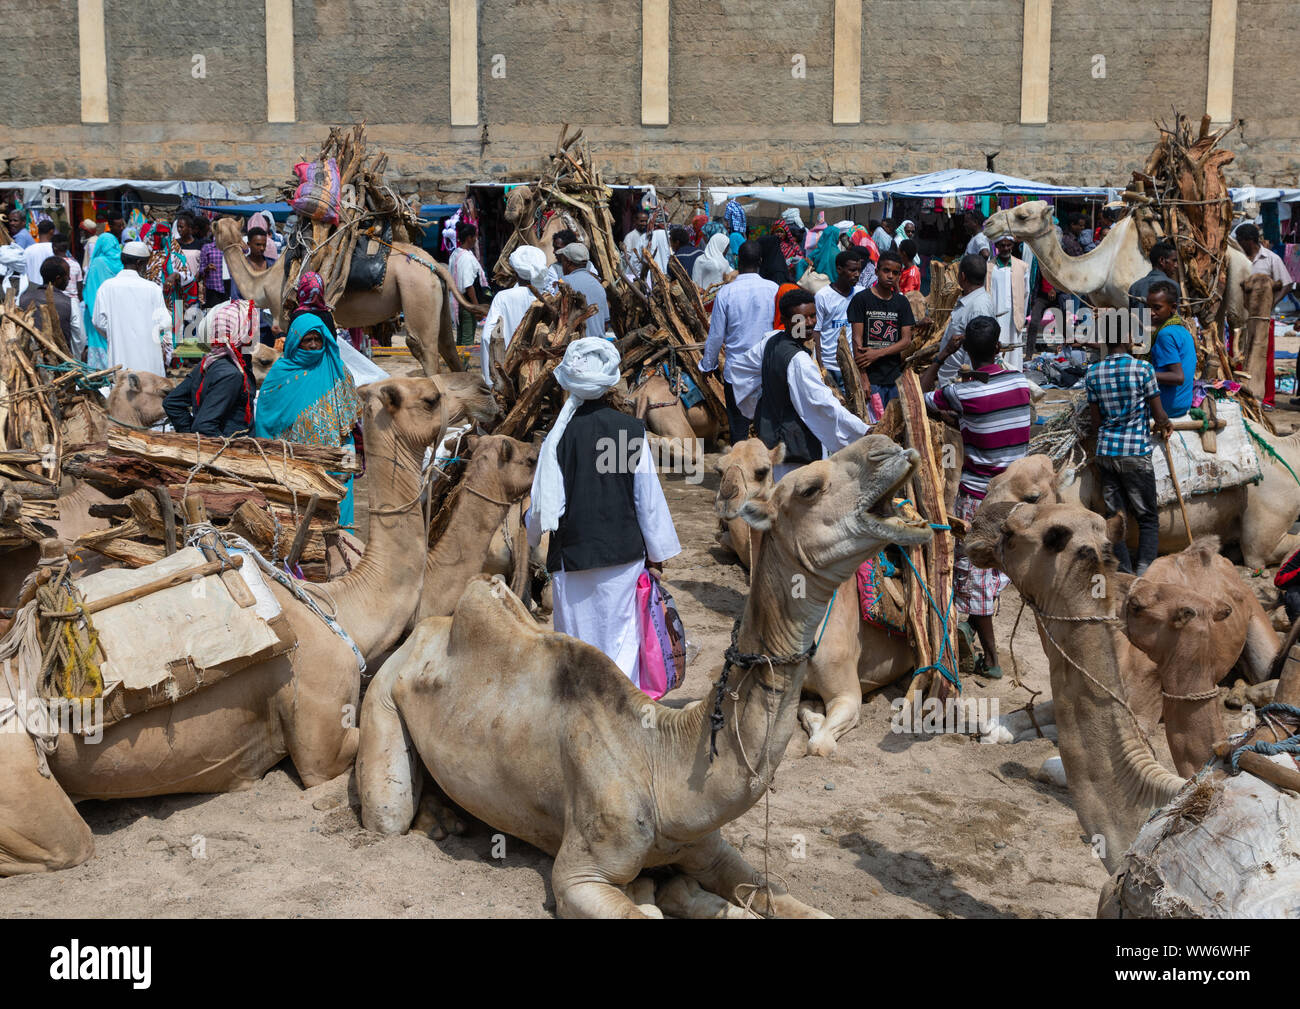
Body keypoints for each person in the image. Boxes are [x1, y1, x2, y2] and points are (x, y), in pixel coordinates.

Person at [525, 337, 681, 686]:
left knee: (578, 652)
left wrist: (531, 534)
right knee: (620, 651)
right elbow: (646, 499)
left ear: (568, 381)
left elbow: (540, 507)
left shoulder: (558, 437)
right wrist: (656, 555)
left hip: (573, 561)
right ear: (612, 381)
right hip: (622, 560)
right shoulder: (628, 431)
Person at [921, 315, 1033, 679]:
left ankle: (993, 659)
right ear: (999, 348)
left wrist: (940, 357)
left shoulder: (962, 392)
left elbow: (919, 397)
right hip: (1019, 495)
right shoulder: (1021, 381)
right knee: (994, 570)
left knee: (974, 571)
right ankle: (971, 630)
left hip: (980, 497)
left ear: (966, 349)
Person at [740, 287, 868, 482]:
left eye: (813, 316)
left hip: (772, 435)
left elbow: (741, 369)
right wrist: (861, 430)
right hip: (796, 444)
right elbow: (823, 403)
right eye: (801, 318)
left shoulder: (772, 341)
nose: (809, 323)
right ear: (784, 320)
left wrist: (759, 405)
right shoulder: (798, 360)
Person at [254, 303, 362, 526]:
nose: (313, 345)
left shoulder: (339, 371)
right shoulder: (280, 375)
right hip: (296, 466)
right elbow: (265, 420)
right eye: (307, 340)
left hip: (336, 464)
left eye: (317, 339)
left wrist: (347, 463)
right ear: (295, 341)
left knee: (337, 521)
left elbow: (350, 425)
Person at [1085, 320, 1173, 575]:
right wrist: (1166, 423)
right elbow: (1159, 416)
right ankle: (1145, 571)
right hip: (1135, 453)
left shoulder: (1093, 372)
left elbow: (1096, 421)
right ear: (1126, 337)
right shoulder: (1143, 369)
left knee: (1116, 517)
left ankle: (1124, 571)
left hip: (1106, 452)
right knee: (1147, 517)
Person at [701, 240, 779, 442]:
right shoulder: (773, 289)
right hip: (765, 370)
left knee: (738, 429)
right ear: (760, 261)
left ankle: (740, 469)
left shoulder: (726, 292)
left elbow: (716, 335)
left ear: (737, 260)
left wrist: (707, 365)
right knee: (767, 430)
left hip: (736, 372)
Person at [164, 300, 255, 437]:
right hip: (232, 453)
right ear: (240, 334)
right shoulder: (232, 375)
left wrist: (189, 435)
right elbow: (204, 426)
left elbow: (172, 403)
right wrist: (225, 450)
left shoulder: (208, 363)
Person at [847, 248, 914, 407]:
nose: (890, 276)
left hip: (894, 378)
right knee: (873, 425)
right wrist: (863, 378)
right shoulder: (861, 299)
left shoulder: (901, 302)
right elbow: (857, 339)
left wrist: (877, 353)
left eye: (895, 273)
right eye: (886, 271)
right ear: (877, 271)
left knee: (893, 426)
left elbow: (906, 341)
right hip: (871, 379)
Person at [92, 240, 169, 377]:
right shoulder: (153, 289)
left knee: (121, 392)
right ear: (140, 264)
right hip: (149, 362)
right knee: (149, 393)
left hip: (120, 359)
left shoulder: (107, 287)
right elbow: (164, 322)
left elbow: (98, 321)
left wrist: (115, 333)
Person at [1237, 223, 1293, 409]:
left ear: (1249, 241)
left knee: (1265, 356)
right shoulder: (1238, 258)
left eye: (1240, 240)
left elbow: (1286, 284)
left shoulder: (1271, 259)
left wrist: (1271, 304)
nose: (1238, 243)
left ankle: (1267, 399)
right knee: (1238, 355)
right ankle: (1241, 394)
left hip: (1263, 318)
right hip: (1241, 316)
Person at [481, 244, 546, 386]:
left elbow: (487, 336)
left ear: (516, 273)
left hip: (507, 369)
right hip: (539, 369)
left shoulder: (503, 297)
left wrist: (491, 378)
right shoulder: (547, 297)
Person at [935, 254, 993, 387]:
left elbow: (976, 353)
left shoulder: (978, 307)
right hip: (950, 383)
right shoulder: (970, 302)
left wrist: (966, 385)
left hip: (958, 385)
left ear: (962, 277)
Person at [1146, 280, 1195, 419]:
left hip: (1167, 407)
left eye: (1157, 308)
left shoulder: (1164, 335)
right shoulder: (1181, 330)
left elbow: (1178, 377)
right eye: (1148, 308)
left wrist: (1142, 374)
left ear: (1173, 308)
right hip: (1182, 404)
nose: (1151, 313)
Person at [813, 250, 862, 389]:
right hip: (829, 365)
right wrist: (820, 365)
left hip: (852, 364)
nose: (857, 274)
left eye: (859, 270)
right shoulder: (823, 296)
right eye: (852, 270)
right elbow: (816, 331)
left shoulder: (860, 293)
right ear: (839, 270)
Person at [987, 234, 1029, 369]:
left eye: (1008, 245)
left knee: (1014, 349)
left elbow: (1026, 292)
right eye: (1002, 245)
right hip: (995, 316)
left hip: (1014, 317)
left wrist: (1021, 314)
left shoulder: (1022, 266)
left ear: (1012, 246)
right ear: (997, 246)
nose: (1005, 248)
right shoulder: (989, 268)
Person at [82, 232, 123, 370]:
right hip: (118, 312)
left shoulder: (98, 263)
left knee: (100, 340)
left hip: (98, 311)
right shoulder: (122, 263)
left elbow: (90, 290)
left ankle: (102, 374)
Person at [555, 243, 610, 340]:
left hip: (576, 346)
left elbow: (557, 318)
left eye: (562, 261)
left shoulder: (564, 282)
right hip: (598, 345)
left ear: (568, 262)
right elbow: (605, 325)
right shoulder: (598, 284)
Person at [18, 256, 74, 348]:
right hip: (62, 358)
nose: (70, 278)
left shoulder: (23, 298)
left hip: (27, 356)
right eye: (67, 275)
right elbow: (78, 338)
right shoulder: (70, 303)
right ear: (58, 278)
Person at [449, 221, 489, 345]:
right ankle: (462, 364)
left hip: (458, 301)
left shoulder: (455, 253)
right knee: (467, 340)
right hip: (466, 304)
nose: (476, 239)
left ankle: (460, 364)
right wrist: (476, 308)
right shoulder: (465, 257)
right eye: (475, 236)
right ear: (469, 238)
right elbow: (468, 285)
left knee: (461, 338)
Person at [1127, 240, 1182, 308]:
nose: (1176, 265)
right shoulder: (1172, 286)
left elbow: (1134, 316)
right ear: (1162, 260)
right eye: (1174, 261)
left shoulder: (1134, 287)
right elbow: (1174, 317)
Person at [197, 220, 230, 308]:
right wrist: (207, 268)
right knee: (212, 315)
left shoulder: (231, 247)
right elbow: (201, 270)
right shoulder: (207, 248)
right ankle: (178, 321)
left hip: (229, 288)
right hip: (213, 289)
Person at [622, 209, 649, 282]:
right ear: (635, 221)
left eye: (646, 221)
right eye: (641, 221)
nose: (644, 223)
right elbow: (626, 256)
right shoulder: (630, 236)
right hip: (633, 274)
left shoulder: (647, 236)